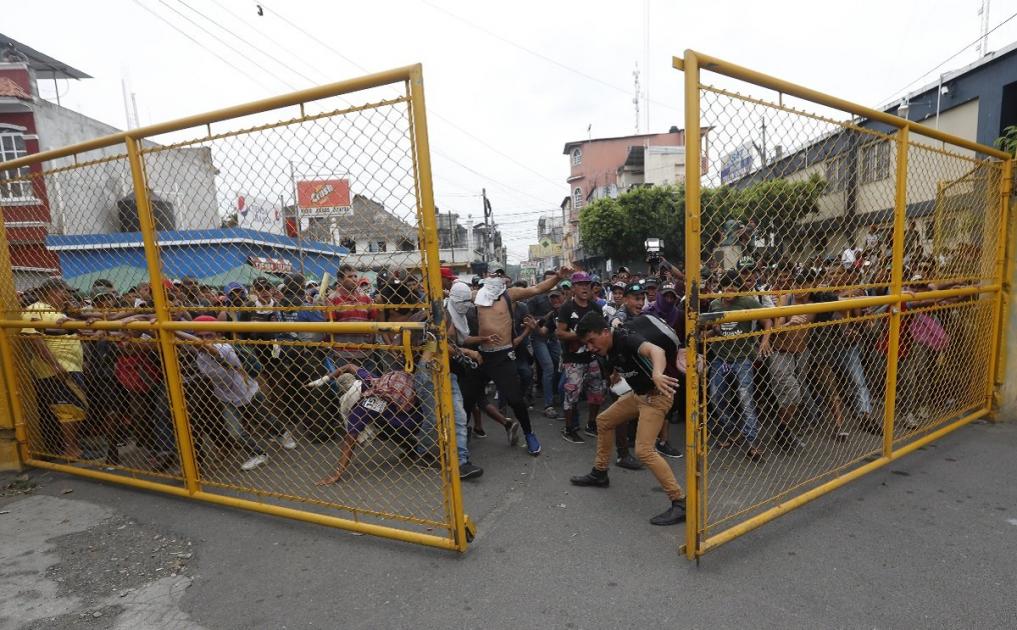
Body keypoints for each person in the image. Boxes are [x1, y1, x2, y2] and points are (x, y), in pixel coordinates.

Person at [569, 312, 687, 525]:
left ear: (605, 332)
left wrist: (658, 374)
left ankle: (680, 502)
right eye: (586, 344)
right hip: (639, 395)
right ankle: (600, 473)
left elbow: (656, 351)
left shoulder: (625, 338)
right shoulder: (607, 347)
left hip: (657, 397)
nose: (590, 347)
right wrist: (615, 373)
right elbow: (619, 360)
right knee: (604, 422)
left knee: (644, 450)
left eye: (592, 341)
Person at [467, 266, 572, 455]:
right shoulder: (476, 296)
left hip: (503, 355)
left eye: (499, 274)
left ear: (505, 279)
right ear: (485, 277)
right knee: (468, 399)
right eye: (492, 274)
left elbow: (537, 289)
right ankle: (461, 443)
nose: (495, 277)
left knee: (516, 400)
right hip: (481, 355)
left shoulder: (510, 294)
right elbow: (453, 301)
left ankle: (529, 434)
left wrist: (558, 277)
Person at [177, 315, 297, 471]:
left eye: (209, 336)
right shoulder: (200, 353)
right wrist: (148, 320)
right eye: (200, 336)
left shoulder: (223, 348)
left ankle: (283, 434)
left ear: (219, 336)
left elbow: (201, 345)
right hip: (226, 397)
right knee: (235, 432)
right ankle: (259, 454)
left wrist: (172, 328)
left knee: (265, 419)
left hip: (248, 392)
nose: (204, 340)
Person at [706, 270, 769, 460]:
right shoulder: (714, 304)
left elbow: (767, 320)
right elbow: (712, 327)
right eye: (727, 287)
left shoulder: (747, 301)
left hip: (742, 357)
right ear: (722, 288)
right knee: (716, 396)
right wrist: (711, 332)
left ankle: (752, 442)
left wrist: (765, 341)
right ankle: (733, 431)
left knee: (745, 398)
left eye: (734, 287)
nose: (730, 291)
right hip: (721, 357)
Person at [21, 278, 87, 458]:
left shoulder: (55, 311)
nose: (66, 296)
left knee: (75, 406)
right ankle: (70, 449)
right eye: (63, 291)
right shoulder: (36, 308)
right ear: (51, 291)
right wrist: (55, 364)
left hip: (70, 365)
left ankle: (74, 446)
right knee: (67, 408)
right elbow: (35, 339)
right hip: (56, 368)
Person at [557, 272, 606, 443]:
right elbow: (559, 333)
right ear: (573, 288)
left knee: (597, 392)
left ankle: (591, 424)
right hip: (573, 360)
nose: (585, 287)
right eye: (580, 284)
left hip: (593, 357)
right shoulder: (566, 308)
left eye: (587, 284)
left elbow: (602, 332)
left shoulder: (596, 308)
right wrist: (580, 335)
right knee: (572, 395)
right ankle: (569, 428)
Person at [525, 271, 563, 418]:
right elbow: (529, 317)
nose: (551, 283)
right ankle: (548, 405)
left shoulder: (561, 298)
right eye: (549, 280)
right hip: (539, 338)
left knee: (559, 366)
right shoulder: (535, 299)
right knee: (548, 367)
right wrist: (544, 318)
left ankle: (556, 393)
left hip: (553, 338)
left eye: (554, 280)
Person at [328, 264, 377, 362]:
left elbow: (373, 318)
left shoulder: (366, 298)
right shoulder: (332, 299)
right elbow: (330, 326)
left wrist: (370, 339)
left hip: (365, 352)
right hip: (343, 353)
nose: (354, 279)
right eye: (350, 276)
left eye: (355, 276)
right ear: (340, 280)